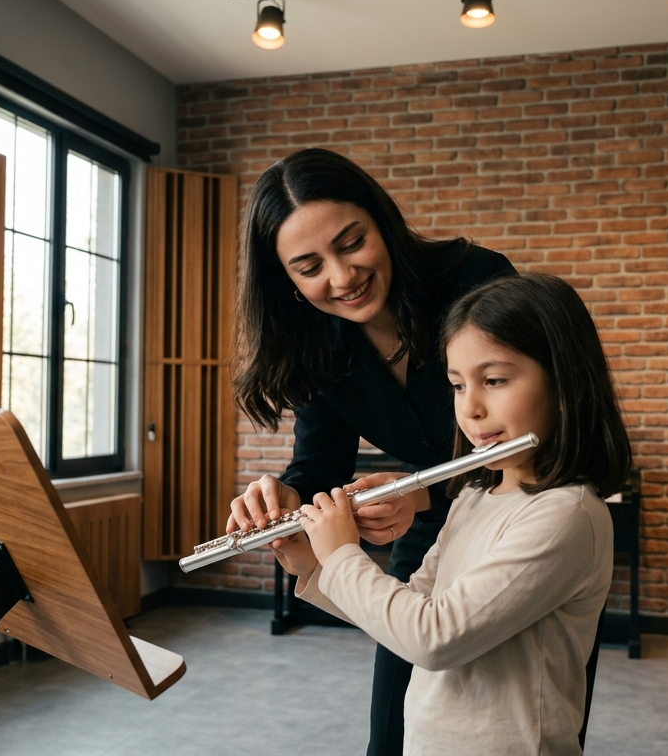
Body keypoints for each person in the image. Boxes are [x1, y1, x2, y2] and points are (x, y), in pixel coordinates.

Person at [227, 147, 516, 754]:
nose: (341, 277)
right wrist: (286, 496)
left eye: (351, 242)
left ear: (381, 220)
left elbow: (520, 442)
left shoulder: (475, 280)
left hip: (516, 523)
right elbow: (318, 467)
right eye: (309, 267)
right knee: (395, 729)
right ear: (289, 283)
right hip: (429, 527)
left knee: (513, 718)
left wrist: (422, 490)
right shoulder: (317, 347)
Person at [274, 273, 632, 756]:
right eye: (458, 386)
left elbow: (435, 638)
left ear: (563, 380)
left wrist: (342, 555)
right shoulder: (474, 497)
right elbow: (406, 610)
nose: (472, 409)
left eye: (494, 380)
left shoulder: (565, 516)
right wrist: (313, 565)